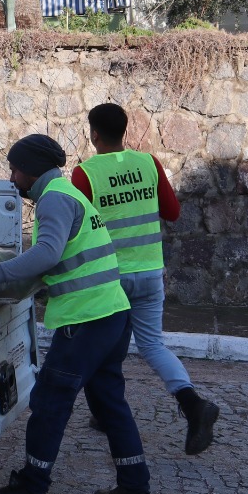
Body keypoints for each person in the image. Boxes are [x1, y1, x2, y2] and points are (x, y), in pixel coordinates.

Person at [0, 134, 153, 494]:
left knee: (49, 403)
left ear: (30, 169)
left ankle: (31, 491)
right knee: (110, 404)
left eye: (15, 169)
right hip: (112, 314)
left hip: (84, 321)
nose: (12, 178)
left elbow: (46, 254)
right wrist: (9, 288)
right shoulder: (71, 194)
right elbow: (57, 264)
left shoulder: (54, 200)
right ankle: (135, 490)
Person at [74, 104, 220, 455]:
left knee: (102, 348)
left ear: (94, 133)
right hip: (150, 273)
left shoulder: (85, 173)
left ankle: (106, 413)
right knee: (153, 346)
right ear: (124, 131)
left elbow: (76, 228)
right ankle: (193, 405)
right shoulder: (149, 163)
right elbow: (172, 212)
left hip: (109, 279)